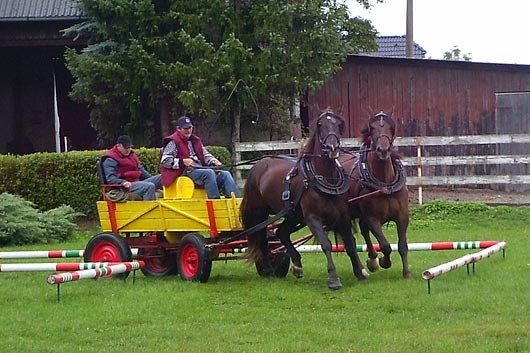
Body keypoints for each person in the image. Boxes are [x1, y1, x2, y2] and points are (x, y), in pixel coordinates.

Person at [160, 116, 241, 199]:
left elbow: (205, 154)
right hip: (185, 173)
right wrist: (182, 161)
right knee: (209, 173)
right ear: (178, 129)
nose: (188, 130)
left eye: (190, 127)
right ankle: (215, 201)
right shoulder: (173, 142)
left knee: (225, 174)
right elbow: (165, 160)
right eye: (185, 128)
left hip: (200, 171)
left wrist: (213, 160)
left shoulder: (195, 140)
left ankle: (237, 202)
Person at [103, 135, 162, 200]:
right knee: (149, 186)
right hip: (125, 187)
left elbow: (142, 172)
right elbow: (110, 178)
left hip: (138, 183)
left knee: (163, 177)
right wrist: (122, 182)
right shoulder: (110, 159)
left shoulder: (132, 155)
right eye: (126, 148)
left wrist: (153, 179)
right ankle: (149, 209)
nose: (128, 150)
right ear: (118, 146)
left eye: (129, 147)